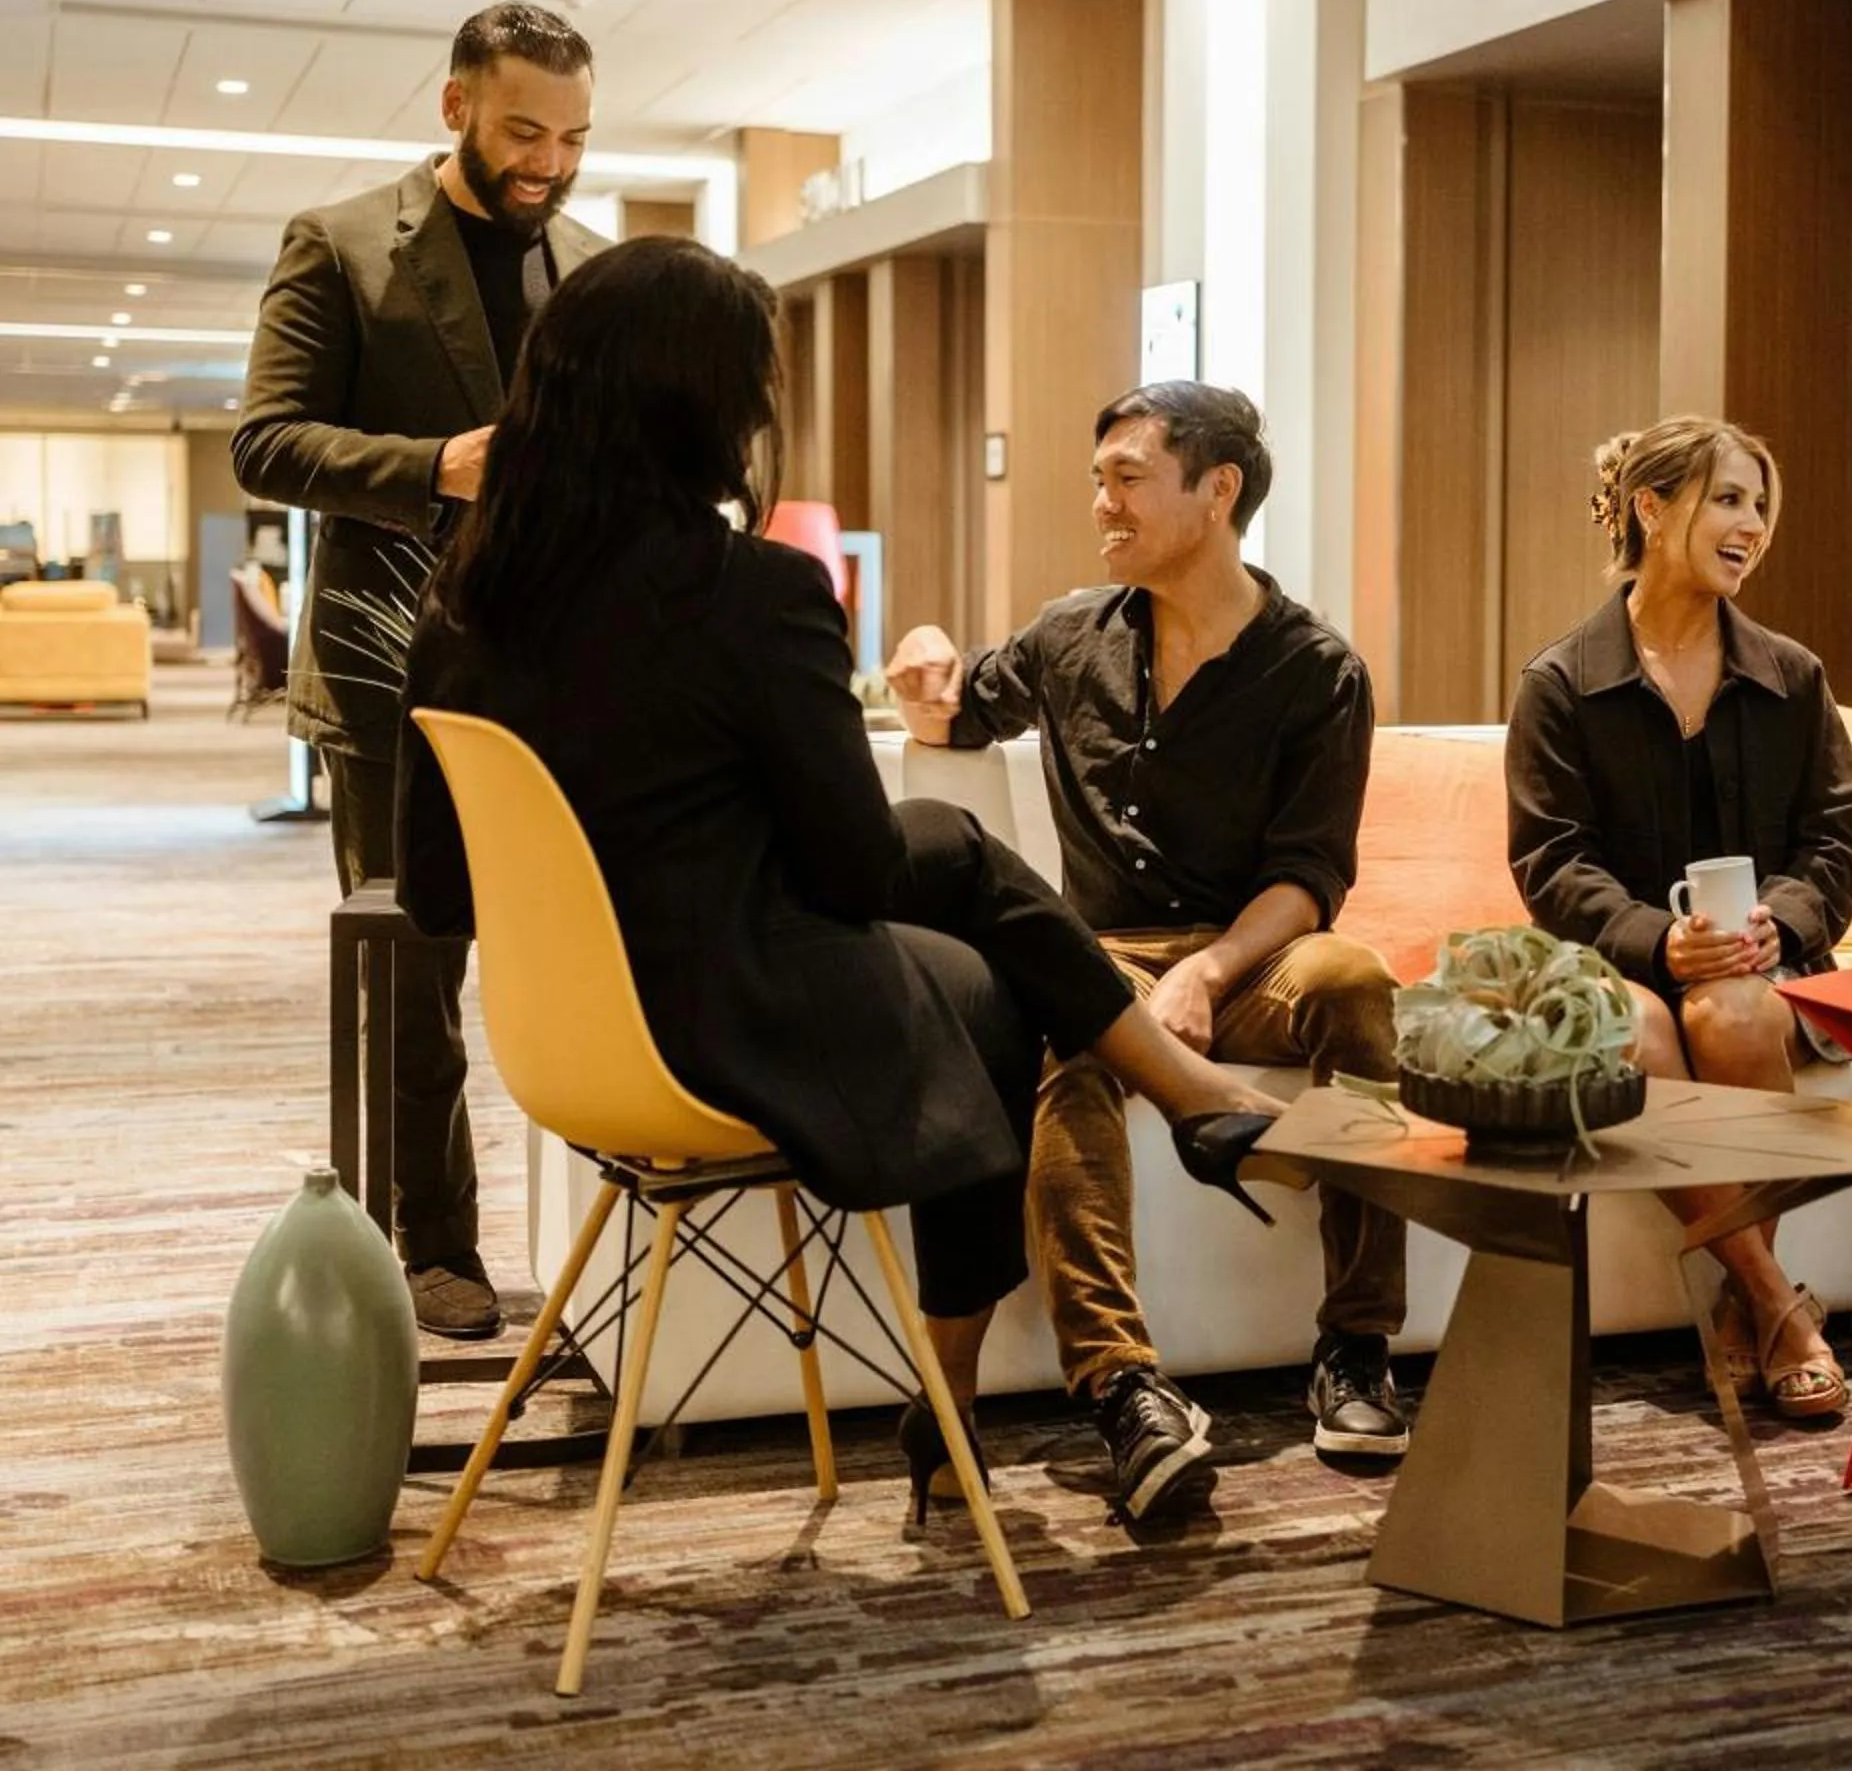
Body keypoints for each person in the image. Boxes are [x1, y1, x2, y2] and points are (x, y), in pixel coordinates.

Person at [392, 236, 1271, 1525]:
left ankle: (1161, 1126)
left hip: (568, 1044)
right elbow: (851, 868)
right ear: (709, 408)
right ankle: (962, 1385)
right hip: (727, 1024)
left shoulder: (460, 601)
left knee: (962, 869)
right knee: (983, 983)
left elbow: (435, 890)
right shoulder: (753, 594)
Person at [886, 382, 1413, 1518]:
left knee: (1359, 984)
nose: (1102, 504)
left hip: (1256, 955)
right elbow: (955, 709)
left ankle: (1359, 1346)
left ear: (1217, 491)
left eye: (1128, 478)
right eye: (1099, 479)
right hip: (1102, 953)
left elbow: (1310, 879)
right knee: (1064, 1026)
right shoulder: (1070, 635)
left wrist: (1210, 969)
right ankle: (1124, 1385)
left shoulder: (1317, 670)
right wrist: (921, 658)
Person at [232, 0, 606, 1338]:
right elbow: (266, 446)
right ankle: (436, 1241)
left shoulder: (595, 266)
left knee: (592, 958)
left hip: (570, 676)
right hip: (392, 668)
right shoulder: (341, 247)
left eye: (570, 136)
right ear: (454, 107)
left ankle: (604, 1242)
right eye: (522, 130)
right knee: (416, 976)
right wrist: (436, 468)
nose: (548, 161)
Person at [1504, 416, 1852, 1420]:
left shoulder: (1793, 675)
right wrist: (1655, 939)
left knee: (1735, 1014)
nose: (1751, 523)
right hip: (1613, 961)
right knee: (1637, 1021)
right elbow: (1550, 862)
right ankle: (1776, 1306)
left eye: (1760, 503)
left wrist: (1776, 927)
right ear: (1651, 509)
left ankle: (1752, 1312)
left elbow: (1836, 843)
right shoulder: (1562, 680)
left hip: (1761, 964)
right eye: (1729, 499)